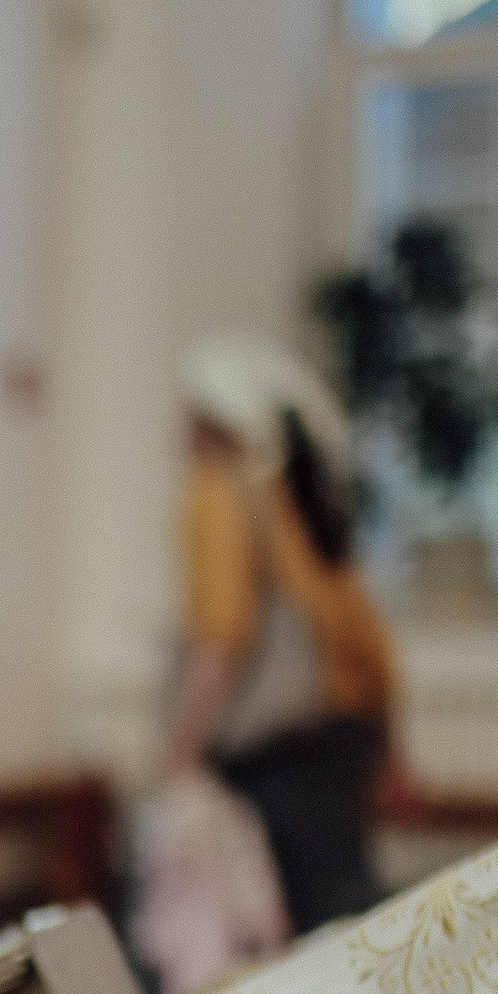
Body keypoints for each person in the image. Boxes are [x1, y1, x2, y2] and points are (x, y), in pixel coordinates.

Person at [166, 332, 397, 939]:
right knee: (345, 918)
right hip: (343, 730)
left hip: (277, 750)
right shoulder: (297, 500)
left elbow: (224, 634)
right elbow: (363, 633)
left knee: (291, 931)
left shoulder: (219, 492)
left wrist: (181, 749)